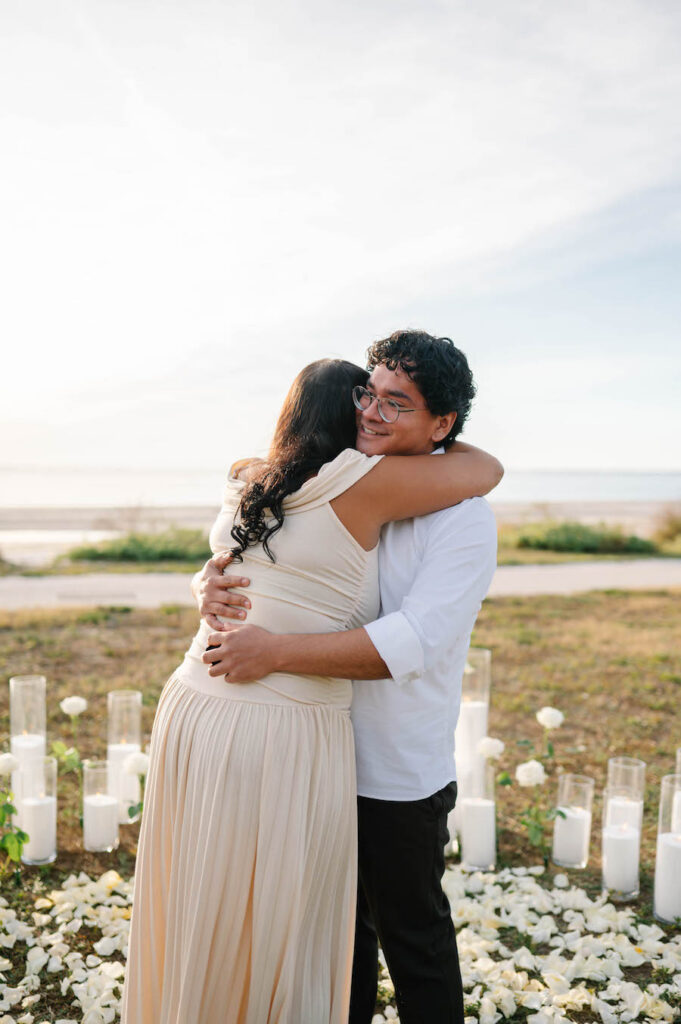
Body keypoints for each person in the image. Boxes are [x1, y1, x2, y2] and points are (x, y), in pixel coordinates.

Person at [121, 352, 502, 1024]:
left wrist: (272, 650)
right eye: (367, 394)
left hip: (389, 763)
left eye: (394, 403)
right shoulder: (336, 478)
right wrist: (205, 584)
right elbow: (267, 570)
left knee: (411, 941)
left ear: (441, 423)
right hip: (300, 749)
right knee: (325, 941)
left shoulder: (460, 517)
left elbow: (409, 643)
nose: (370, 412)